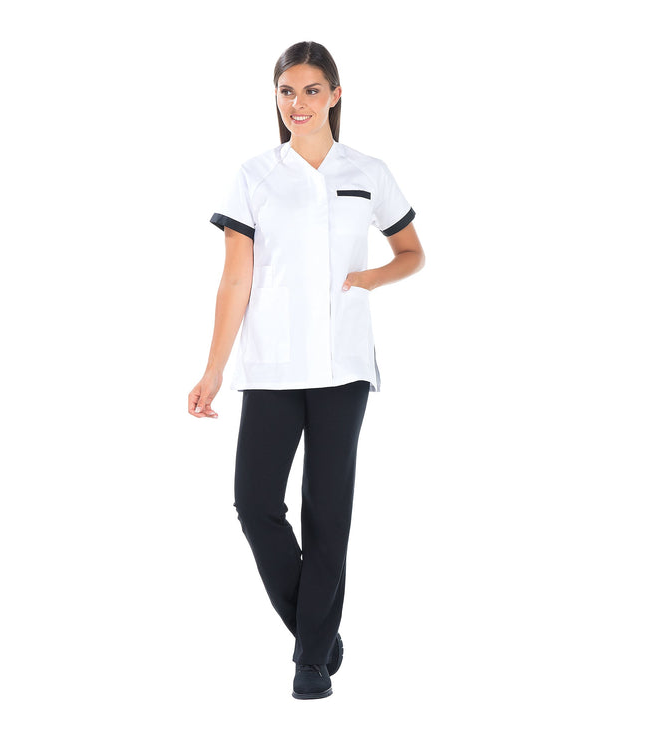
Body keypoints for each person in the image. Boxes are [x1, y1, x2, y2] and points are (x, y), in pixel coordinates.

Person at [188, 41, 425, 699]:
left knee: (329, 513)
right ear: (276, 97)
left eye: (312, 90)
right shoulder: (255, 175)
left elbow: (411, 252)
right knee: (255, 504)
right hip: (272, 365)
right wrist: (212, 371)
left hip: (344, 365)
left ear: (335, 95)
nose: (298, 103)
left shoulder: (368, 171)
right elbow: (235, 279)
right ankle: (317, 631)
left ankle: (310, 663)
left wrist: (369, 278)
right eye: (287, 91)